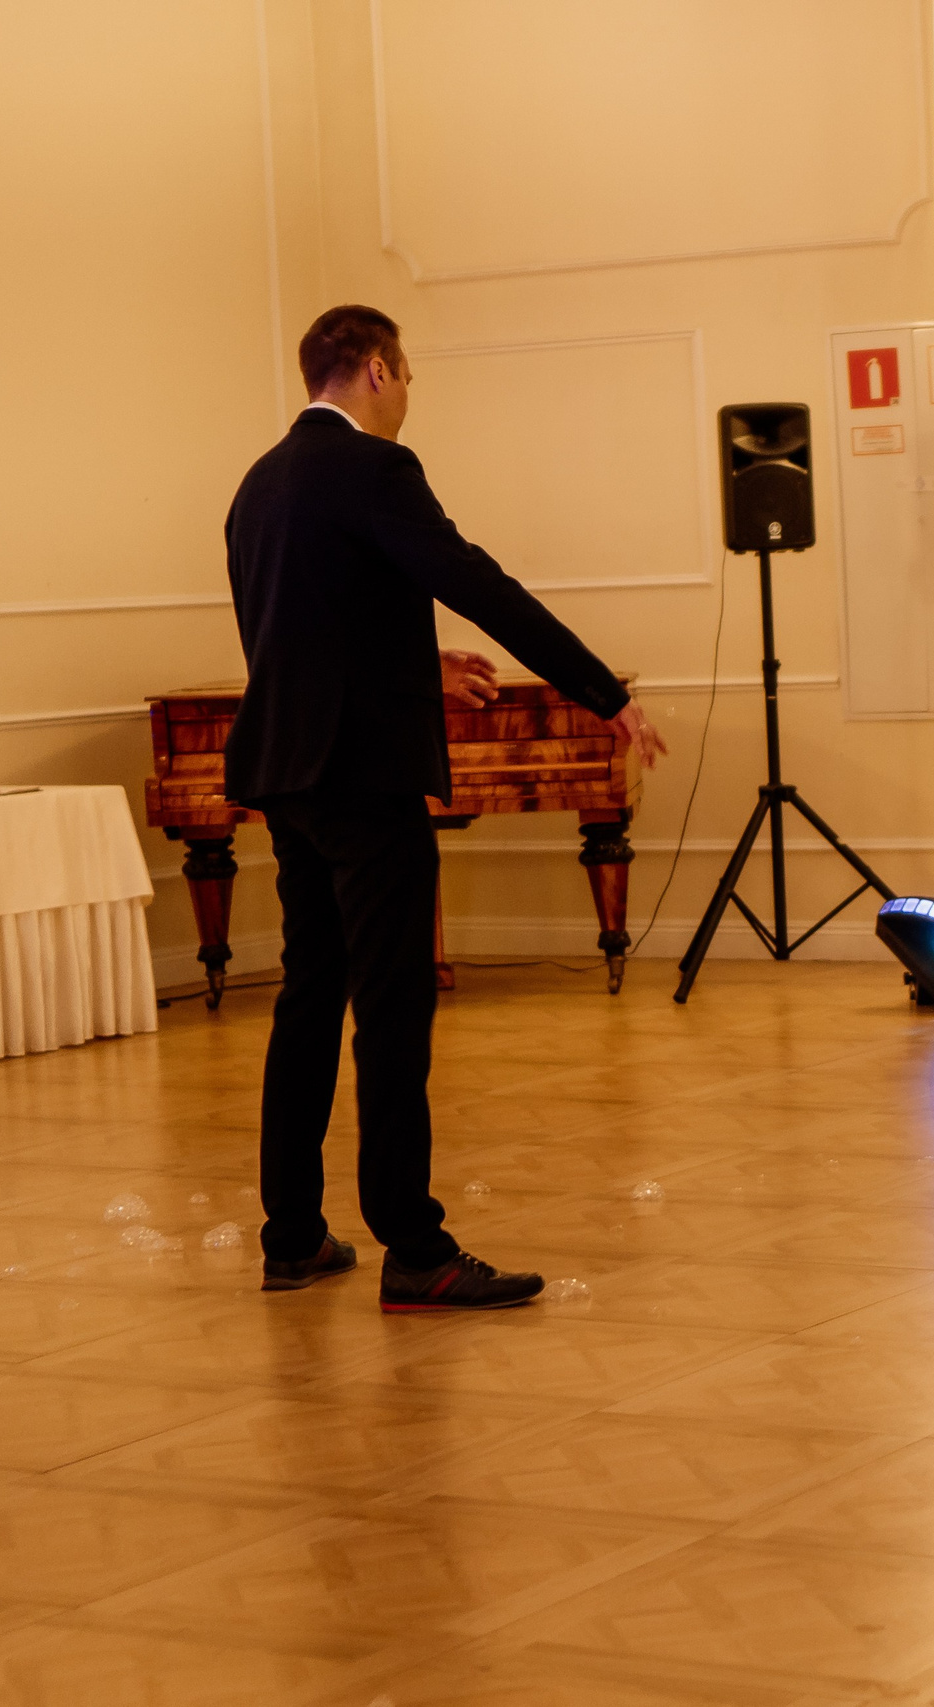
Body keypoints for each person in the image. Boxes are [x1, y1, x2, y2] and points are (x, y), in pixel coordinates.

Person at [226, 303, 667, 1313]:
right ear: (376, 367)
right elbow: (478, 583)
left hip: (288, 777)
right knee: (392, 1007)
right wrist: (605, 690)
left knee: (308, 1000)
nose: (409, 393)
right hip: (364, 778)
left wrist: (416, 661)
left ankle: (291, 1237)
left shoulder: (259, 484)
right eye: (407, 373)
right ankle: (413, 1247)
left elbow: (299, 631)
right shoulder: (377, 470)